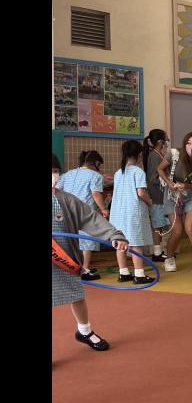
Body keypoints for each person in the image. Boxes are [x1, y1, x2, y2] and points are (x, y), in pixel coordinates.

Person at [52, 153, 127, 353]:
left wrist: (114, 235)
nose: (53, 175)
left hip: (64, 259)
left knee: (77, 295)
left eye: (55, 171)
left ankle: (84, 331)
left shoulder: (66, 199)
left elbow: (91, 219)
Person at [157, 132, 192, 273]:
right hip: (172, 195)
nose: (191, 147)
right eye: (189, 143)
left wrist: (186, 186)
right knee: (177, 230)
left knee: (190, 227)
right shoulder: (174, 154)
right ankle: (169, 258)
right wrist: (169, 183)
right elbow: (160, 169)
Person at [55, 150, 108, 280]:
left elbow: (56, 189)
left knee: (73, 240)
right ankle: (85, 270)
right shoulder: (95, 176)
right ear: (96, 163)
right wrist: (104, 209)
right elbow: (95, 194)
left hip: (66, 211)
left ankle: (73, 267)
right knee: (87, 241)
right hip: (84, 212)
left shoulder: (68, 174)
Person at [109, 140, 155, 284]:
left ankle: (123, 273)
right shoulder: (138, 172)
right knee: (136, 244)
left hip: (117, 213)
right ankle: (139, 274)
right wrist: (150, 201)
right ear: (139, 154)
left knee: (120, 243)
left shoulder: (118, 173)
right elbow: (141, 193)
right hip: (132, 213)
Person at [143, 129, 171, 261]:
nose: (167, 142)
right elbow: (153, 177)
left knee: (160, 224)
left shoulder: (157, 154)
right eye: (166, 139)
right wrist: (167, 181)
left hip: (160, 195)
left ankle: (160, 250)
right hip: (157, 196)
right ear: (160, 142)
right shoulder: (154, 156)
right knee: (158, 225)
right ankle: (157, 252)